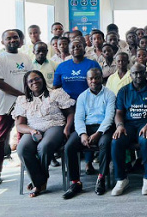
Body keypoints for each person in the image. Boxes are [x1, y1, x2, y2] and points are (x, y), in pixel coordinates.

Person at [14, 70, 75, 197]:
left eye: (37, 79)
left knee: (44, 146)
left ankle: (38, 184)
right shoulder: (22, 100)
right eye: (31, 81)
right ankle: (40, 180)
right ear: (26, 84)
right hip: (33, 128)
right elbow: (19, 125)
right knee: (22, 148)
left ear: (43, 79)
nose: (35, 82)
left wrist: (67, 128)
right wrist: (31, 130)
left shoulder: (56, 94)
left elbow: (70, 112)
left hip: (55, 125)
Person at [111, 63, 147, 196]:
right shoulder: (123, 91)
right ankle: (121, 179)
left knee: (146, 140)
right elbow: (118, 113)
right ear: (131, 75)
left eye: (141, 72)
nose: (138, 75)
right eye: (135, 73)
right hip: (128, 125)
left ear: (146, 74)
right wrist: (120, 126)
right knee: (116, 141)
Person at [63, 68, 116, 198]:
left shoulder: (109, 94)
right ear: (87, 80)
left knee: (105, 143)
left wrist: (98, 133)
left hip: (104, 128)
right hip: (86, 128)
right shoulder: (82, 96)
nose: (93, 81)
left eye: (96, 78)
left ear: (101, 78)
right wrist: (82, 134)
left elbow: (109, 117)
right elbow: (79, 118)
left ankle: (101, 178)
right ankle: (75, 182)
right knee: (69, 147)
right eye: (90, 78)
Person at [0, 29, 32, 186]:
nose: (13, 40)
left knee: (23, 136)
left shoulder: (26, 58)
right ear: (3, 42)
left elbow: (30, 78)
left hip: (23, 103)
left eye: (15, 37)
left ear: (20, 40)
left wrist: (26, 96)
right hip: (5, 104)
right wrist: (20, 94)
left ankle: (26, 164)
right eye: (9, 38)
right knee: (0, 138)